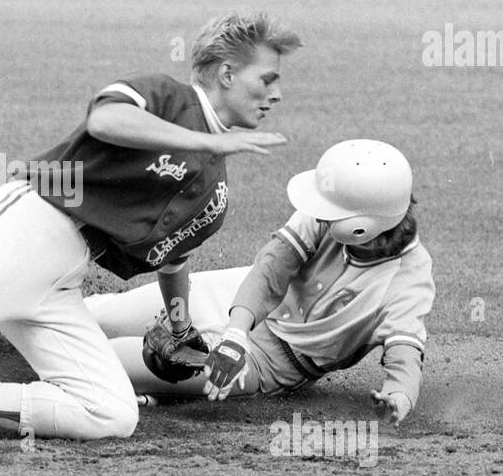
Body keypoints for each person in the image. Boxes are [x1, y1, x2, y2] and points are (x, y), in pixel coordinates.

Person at [0, 12, 303, 440]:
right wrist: (206, 143)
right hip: (26, 227)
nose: (276, 94)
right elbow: (106, 122)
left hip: (61, 278)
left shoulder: (214, 188)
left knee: (112, 413)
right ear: (226, 72)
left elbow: (175, 258)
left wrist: (179, 326)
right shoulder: (168, 97)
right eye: (267, 79)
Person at [86, 140, 435, 425]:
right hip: (234, 296)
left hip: (267, 362)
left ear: (360, 226)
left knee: (102, 361)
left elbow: (405, 354)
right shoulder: (332, 210)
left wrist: (397, 400)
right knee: (95, 317)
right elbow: (271, 267)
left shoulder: (407, 283)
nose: (320, 212)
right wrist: (235, 334)